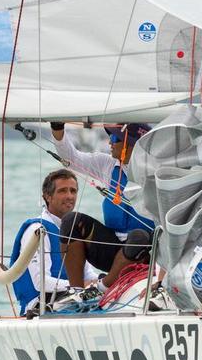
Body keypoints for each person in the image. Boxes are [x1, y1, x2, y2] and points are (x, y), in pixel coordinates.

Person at [50, 121, 155, 287]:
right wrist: (58, 129)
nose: (110, 142)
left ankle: (102, 287)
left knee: (139, 235)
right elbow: (71, 158)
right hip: (110, 251)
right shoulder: (107, 164)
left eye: (115, 138)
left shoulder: (157, 172)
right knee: (71, 221)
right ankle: (77, 290)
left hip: (144, 253)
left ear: (132, 144)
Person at [9, 169, 98, 315]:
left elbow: (88, 275)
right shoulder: (37, 230)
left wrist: (106, 281)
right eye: (63, 191)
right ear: (47, 196)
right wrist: (79, 286)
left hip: (74, 297)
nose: (70, 196)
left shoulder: (76, 231)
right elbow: (40, 282)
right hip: (41, 305)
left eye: (73, 191)